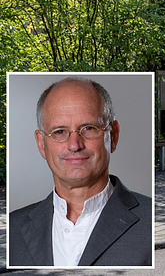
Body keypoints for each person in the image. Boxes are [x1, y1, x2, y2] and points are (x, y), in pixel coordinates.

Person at [9, 77, 152, 267]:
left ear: (113, 136)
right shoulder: (12, 229)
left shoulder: (151, 221)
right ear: (41, 144)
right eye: (59, 132)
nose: (74, 145)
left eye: (89, 128)